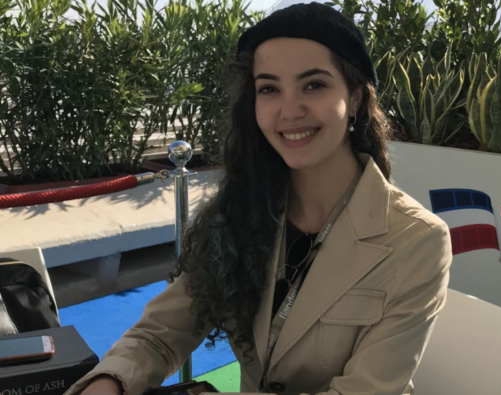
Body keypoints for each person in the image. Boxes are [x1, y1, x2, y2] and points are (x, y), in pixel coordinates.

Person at [65, 3, 452, 395]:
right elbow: (160, 334)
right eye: (269, 89)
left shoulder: (416, 241)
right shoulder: (243, 210)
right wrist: (109, 381)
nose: (289, 110)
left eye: (314, 85)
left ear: (354, 98)